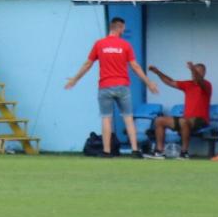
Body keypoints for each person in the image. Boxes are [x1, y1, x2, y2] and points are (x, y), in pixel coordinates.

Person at [62, 16, 154, 157]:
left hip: (105, 86)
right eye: (123, 28)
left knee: (106, 119)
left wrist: (75, 79)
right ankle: (135, 150)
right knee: (128, 118)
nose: (124, 30)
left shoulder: (99, 44)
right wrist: (148, 82)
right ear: (120, 28)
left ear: (111, 27)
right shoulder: (125, 45)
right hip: (123, 86)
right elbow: (134, 66)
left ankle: (106, 151)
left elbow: (88, 64)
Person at [145, 60, 210, 158]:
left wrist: (192, 69)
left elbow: (200, 80)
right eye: (193, 71)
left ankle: (184, 153)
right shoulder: (188, 84)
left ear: (203, 73)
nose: (194, 74)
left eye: (197, 72)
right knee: (159, 120)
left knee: (184, 121)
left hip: (200, 120)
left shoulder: (207, 85)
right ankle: (159, 151)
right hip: (185, 119)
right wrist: (157, 72)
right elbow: (170, 82)